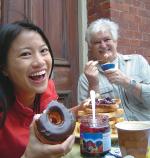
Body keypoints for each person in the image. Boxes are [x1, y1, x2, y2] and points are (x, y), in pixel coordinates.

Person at [0, 20, 87, 158]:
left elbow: (50, 120)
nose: (40, 61)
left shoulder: (47, 89)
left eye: (43, 50)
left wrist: (78, 111)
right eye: (25, 54)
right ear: (4, 67)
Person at [78, 18, 150, 121]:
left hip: (145, 131)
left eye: (107, 39)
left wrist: (128, 83)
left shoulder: (138, 61)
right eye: (97, 42)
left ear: (115, 41)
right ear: (91, 47)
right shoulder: (86, 78)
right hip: (113, 135)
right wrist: (93, 84)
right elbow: (87, 118)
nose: (103, 45)